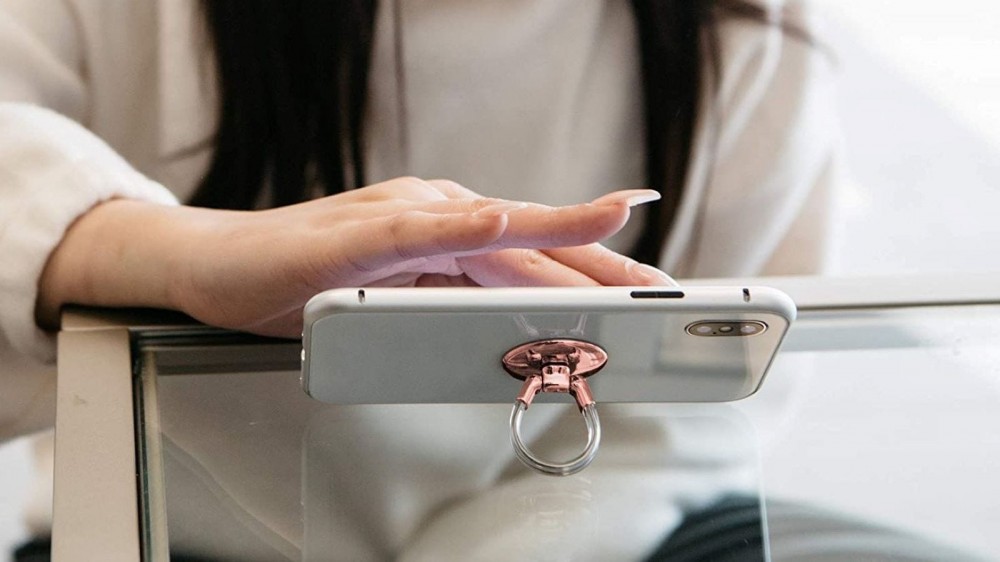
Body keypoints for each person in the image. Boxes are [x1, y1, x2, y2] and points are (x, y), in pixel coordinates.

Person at [0, 0, 838, 559]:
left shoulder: (741, 36)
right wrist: (159, 247)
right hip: (181, 533)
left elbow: (711, 415)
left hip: (601, 531)